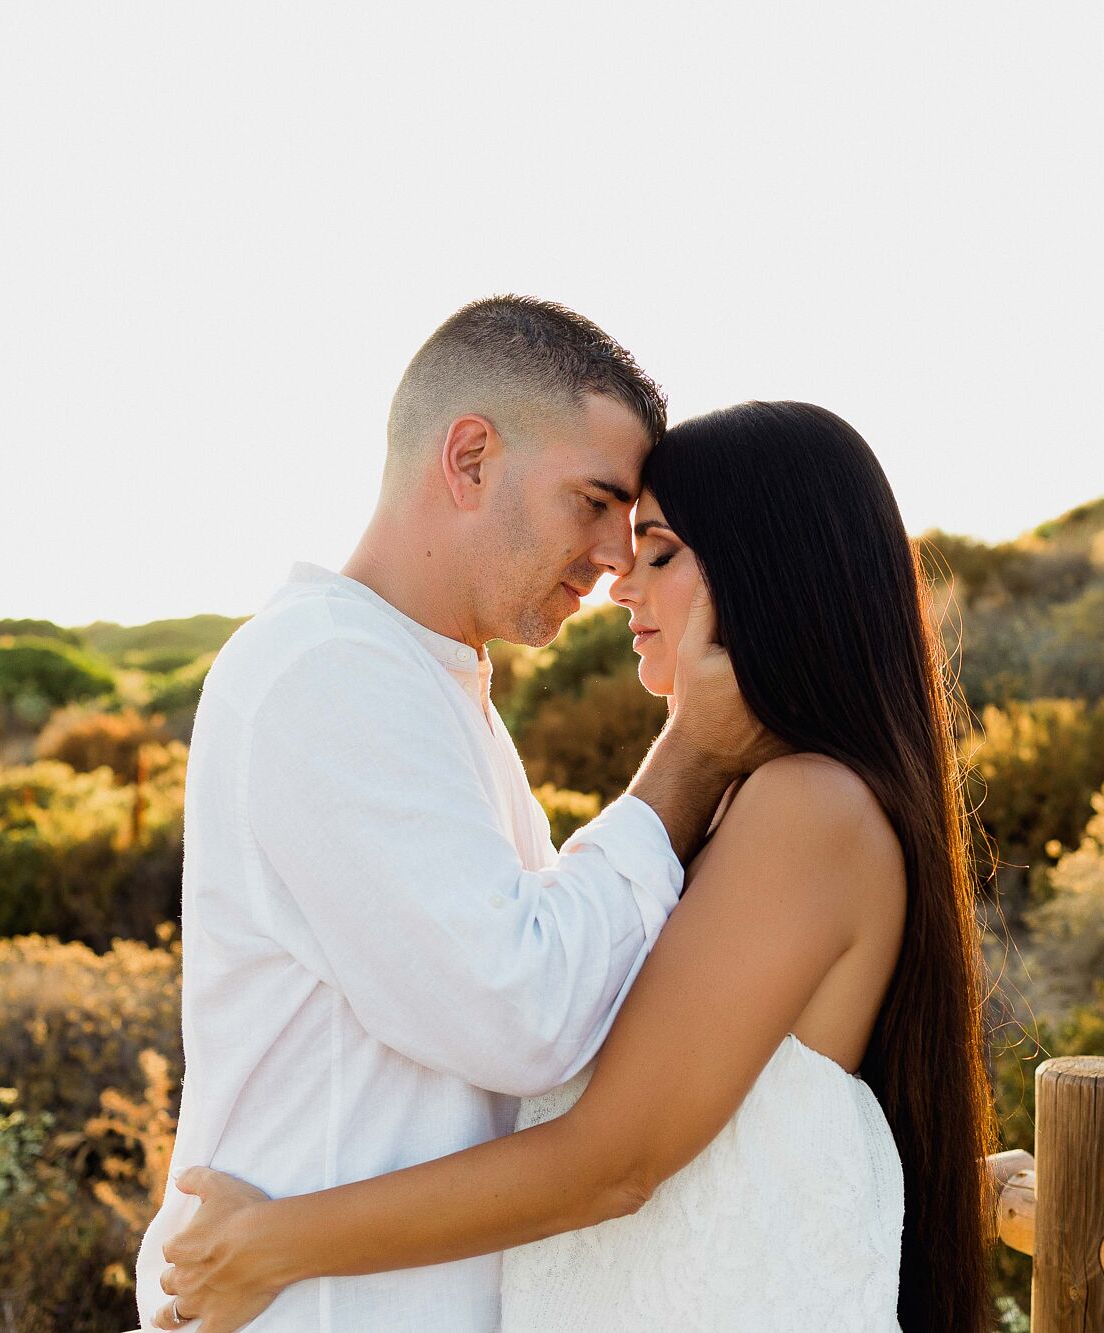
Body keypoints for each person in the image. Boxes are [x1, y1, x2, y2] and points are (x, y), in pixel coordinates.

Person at [151, 401, 996, 1332]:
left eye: (659, 550)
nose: (620, 583)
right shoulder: (757, 799)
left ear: (771, 573)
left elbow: (609, 1161)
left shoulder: (807, 808)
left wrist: (274, 1241)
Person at [132, 297, 784, 1332]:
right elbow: (523, 1012)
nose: (617, 555)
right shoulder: (330, 673)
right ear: (471, 458)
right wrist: (692, 754)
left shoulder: (426, 685)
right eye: (593, 499)